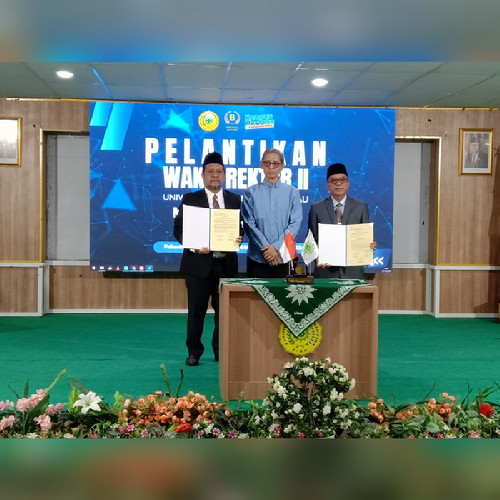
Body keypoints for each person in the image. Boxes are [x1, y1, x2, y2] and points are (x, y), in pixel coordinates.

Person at [173, 152, 243, 366]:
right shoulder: (190, 199)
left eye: (219, 171)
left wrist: (239, 237)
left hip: (225, 265)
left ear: (225, 175)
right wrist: (194, 245)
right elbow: (178, 229)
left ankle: (220, 351)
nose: (215, 175)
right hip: (198, 265)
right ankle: (194, 352)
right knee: (196, 313)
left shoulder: (235, 200)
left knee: (224, 314)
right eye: (210, 171)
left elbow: (240, 227)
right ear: (202, 175)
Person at [308, 162, 376, 280]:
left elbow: (365, 235)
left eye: (342, 180)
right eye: (334, 180)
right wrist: (316, 257)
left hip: (353, 272)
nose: (338, 183)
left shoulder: (360, 207)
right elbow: (310, 239)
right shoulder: (317, 208)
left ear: (348, 184)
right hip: (325, 271)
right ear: (327, 185)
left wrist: (369, 246)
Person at [241, 148, 302, 278]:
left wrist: (275, 248)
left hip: (285, 256)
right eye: (267, 163)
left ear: (282, 166)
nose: (271, 167)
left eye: (275, 163)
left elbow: (295, 224)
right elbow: (249, 224)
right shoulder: (250, 192)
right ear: (261, 165)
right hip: (257, 258)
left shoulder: (292, 192)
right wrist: (267, 249)